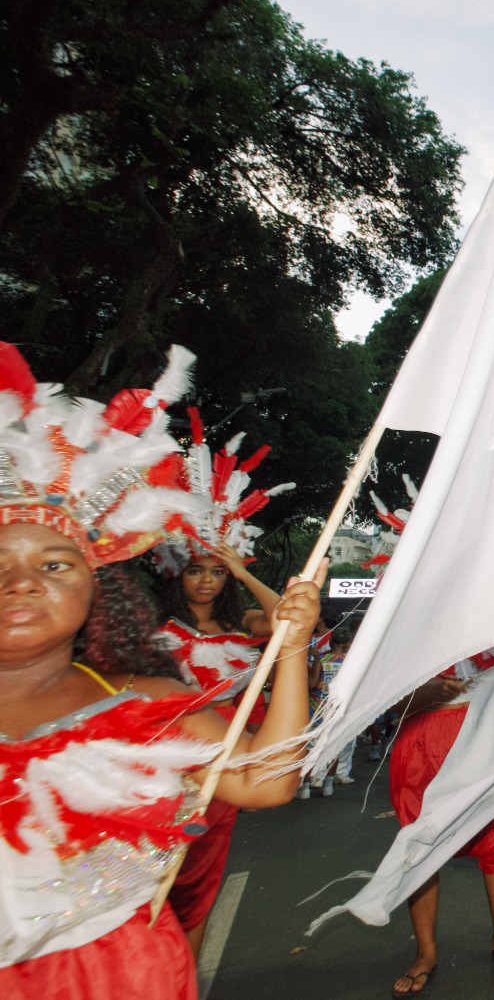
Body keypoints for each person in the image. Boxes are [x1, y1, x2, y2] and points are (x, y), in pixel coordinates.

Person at [0, 341, 321, 998]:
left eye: (54, 564)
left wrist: (287, 638)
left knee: (192, 895)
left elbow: (264, 775)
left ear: (96, 585)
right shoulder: (165, 639)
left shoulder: (142, 705)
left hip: (126, 958)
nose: (22, 583)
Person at [147, 415, 291, 957]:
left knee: (201, 881)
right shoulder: (150, 631)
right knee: (152, 880)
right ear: (174, 572)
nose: (207, 579)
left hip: (222, 765)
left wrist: (246, 569)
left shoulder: (244, 626)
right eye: (196, 570)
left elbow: (289, 619)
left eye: (216, 571)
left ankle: (185, 979)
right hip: (160, 767)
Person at [387, 635, 494, 996]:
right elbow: (394, 703)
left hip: (482, 741)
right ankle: (425, 951)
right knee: (421, 847)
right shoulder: (413, 622)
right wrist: (432, 693)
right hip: (423, 745)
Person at [299, 623, 357, 798]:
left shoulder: (322, 659)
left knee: (311, 749)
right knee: (334, 747)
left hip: (317, 708)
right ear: (347, 644)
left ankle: (305, 788)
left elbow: (312, 684)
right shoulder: (351, 663)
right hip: (339, 710)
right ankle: (328, 786)